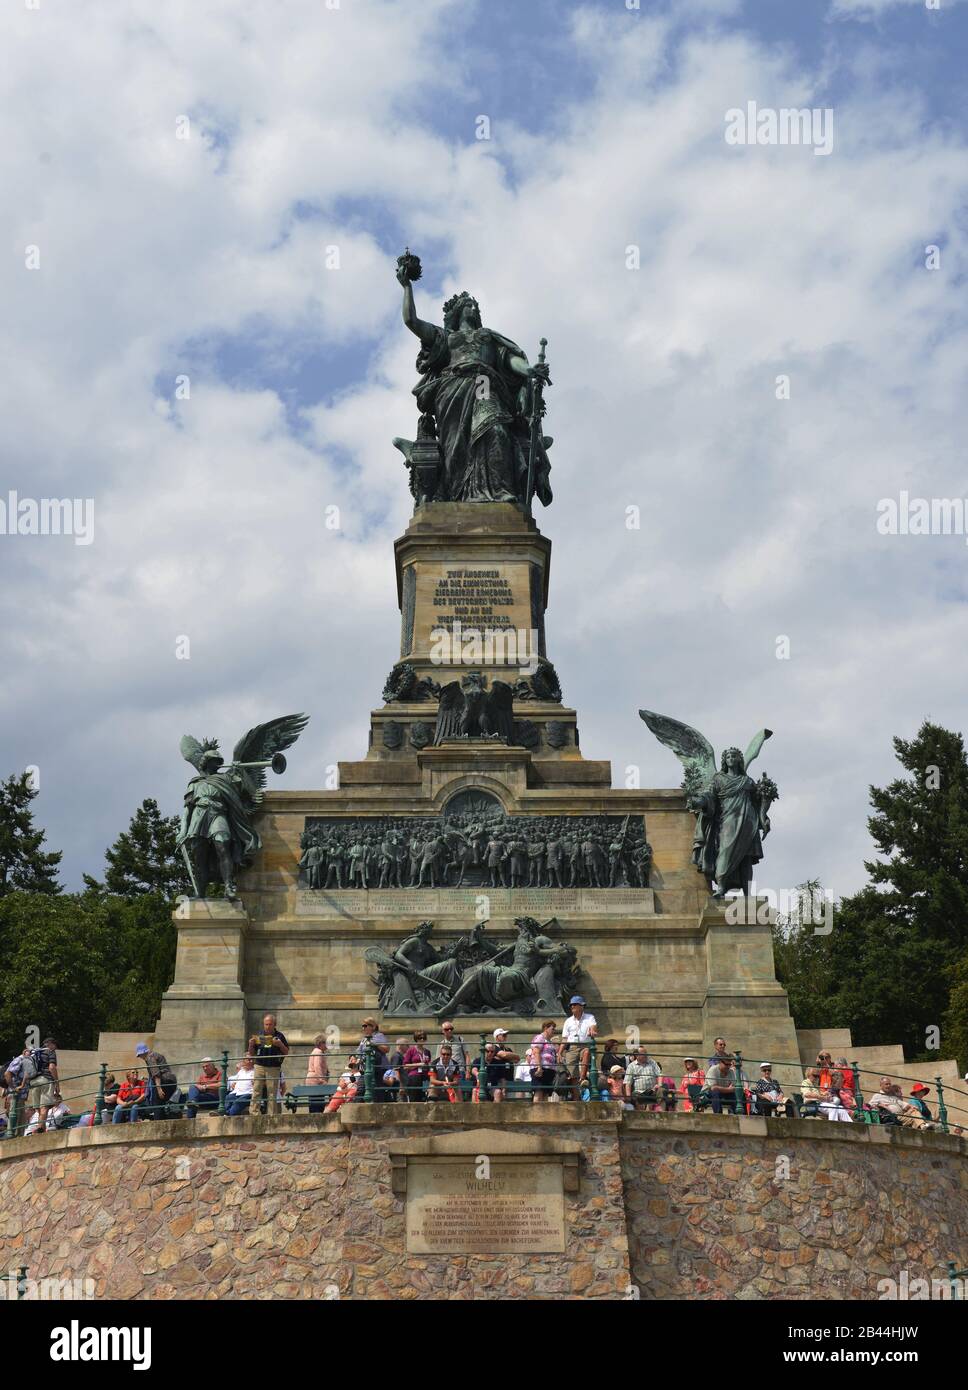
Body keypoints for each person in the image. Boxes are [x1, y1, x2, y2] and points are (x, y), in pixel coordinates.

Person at [248, 1014, 289, 1117]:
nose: (267, 1026)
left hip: (273, 1066)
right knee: (257, 1089)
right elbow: (251, 1054)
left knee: (272, 1091)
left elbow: (286, 1052)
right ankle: (254, 1113)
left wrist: (280, 1045)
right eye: (266, 1024)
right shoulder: (259, 1035)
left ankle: (271, 1114)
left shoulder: (279, 1036)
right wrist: (250, 1045)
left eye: (270, 1024)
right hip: (259, 1065)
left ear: (274, 1025)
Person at [131, 1042, 180, 1121]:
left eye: (139, 1055)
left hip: (163, 1081)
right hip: (171, 1081)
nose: (140, 1057)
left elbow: (156, 1073)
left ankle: (158, 1123)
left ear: (142, 1052)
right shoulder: (156, 1054)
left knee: (156, 1104)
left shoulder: (150, 1057)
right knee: (162, 1103)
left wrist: (158, 1088)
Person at [559, 996, 598, 1089]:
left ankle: (583, 1078)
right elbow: (565, 1038)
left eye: (575, 1004)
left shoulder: (589, 1017)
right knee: (572, 1074)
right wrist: (559, 1053)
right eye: (571, 1005)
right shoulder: (568, 1021)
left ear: (582, 1006)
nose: (572, 1006)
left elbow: (593, 1026)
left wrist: (592, 1031)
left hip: (585, 1045)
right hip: (572, 1046)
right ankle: (576, 1097)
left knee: (587, 1052)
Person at [26, 1037, 59, 1132]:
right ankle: (40, 1127)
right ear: (51, 1044)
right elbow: (52, 1067)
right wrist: (57, 1083)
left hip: (34, 1081)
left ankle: (42, 1129)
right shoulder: (50, 1051)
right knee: (44, 1107)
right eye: (55, 1046)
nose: (55, 1048)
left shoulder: (34, 1053)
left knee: (38, 1108)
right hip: (46, 1080)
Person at [358, 1018, 390, 1101]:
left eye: (365, 1026)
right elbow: (359, 1051)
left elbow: (386, 1049)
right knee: (361, 1089)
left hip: (378, 1068)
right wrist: (354, 1057)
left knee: (377, 1089)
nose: (363, 1028)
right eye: (362, 1026)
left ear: (373, 1026)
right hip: (366, 1068)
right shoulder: (364, 1039)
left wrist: (374, 1044)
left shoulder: (379, 1036)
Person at [529, 1021, 558, 1103]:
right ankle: (537, 1113)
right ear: (545, 1028)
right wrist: (539, 1067)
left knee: (545, 1093)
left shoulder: (549, 1041)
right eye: (552, 1029)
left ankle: (544, 1114)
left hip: (548, 1070)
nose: (554, 1031)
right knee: (539, 1091)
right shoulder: (539, 1038)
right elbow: (536, 1052)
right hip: (540, 1069)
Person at [402, 1031, 432, 1102]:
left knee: (424, 1098)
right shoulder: (411, 1050)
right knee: (414, 1098)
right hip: (414, 1076)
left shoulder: (427, 1051)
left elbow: (429, 1064)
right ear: (416, 1039)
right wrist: (418, 1064)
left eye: (424, 1038)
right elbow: (405, 1066)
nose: (422, 1039)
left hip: (425, 1076)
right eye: (420, 1038)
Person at [304, 1034, 331, 1112]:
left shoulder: (317, 1051)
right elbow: (317, 1066)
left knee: (315, 1103)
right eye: (326, 1043)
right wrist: (322, 1080)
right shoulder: (318, 1052)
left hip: (314, 1080)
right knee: (317, 1104)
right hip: (315, 1081)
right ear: (321, 1043)